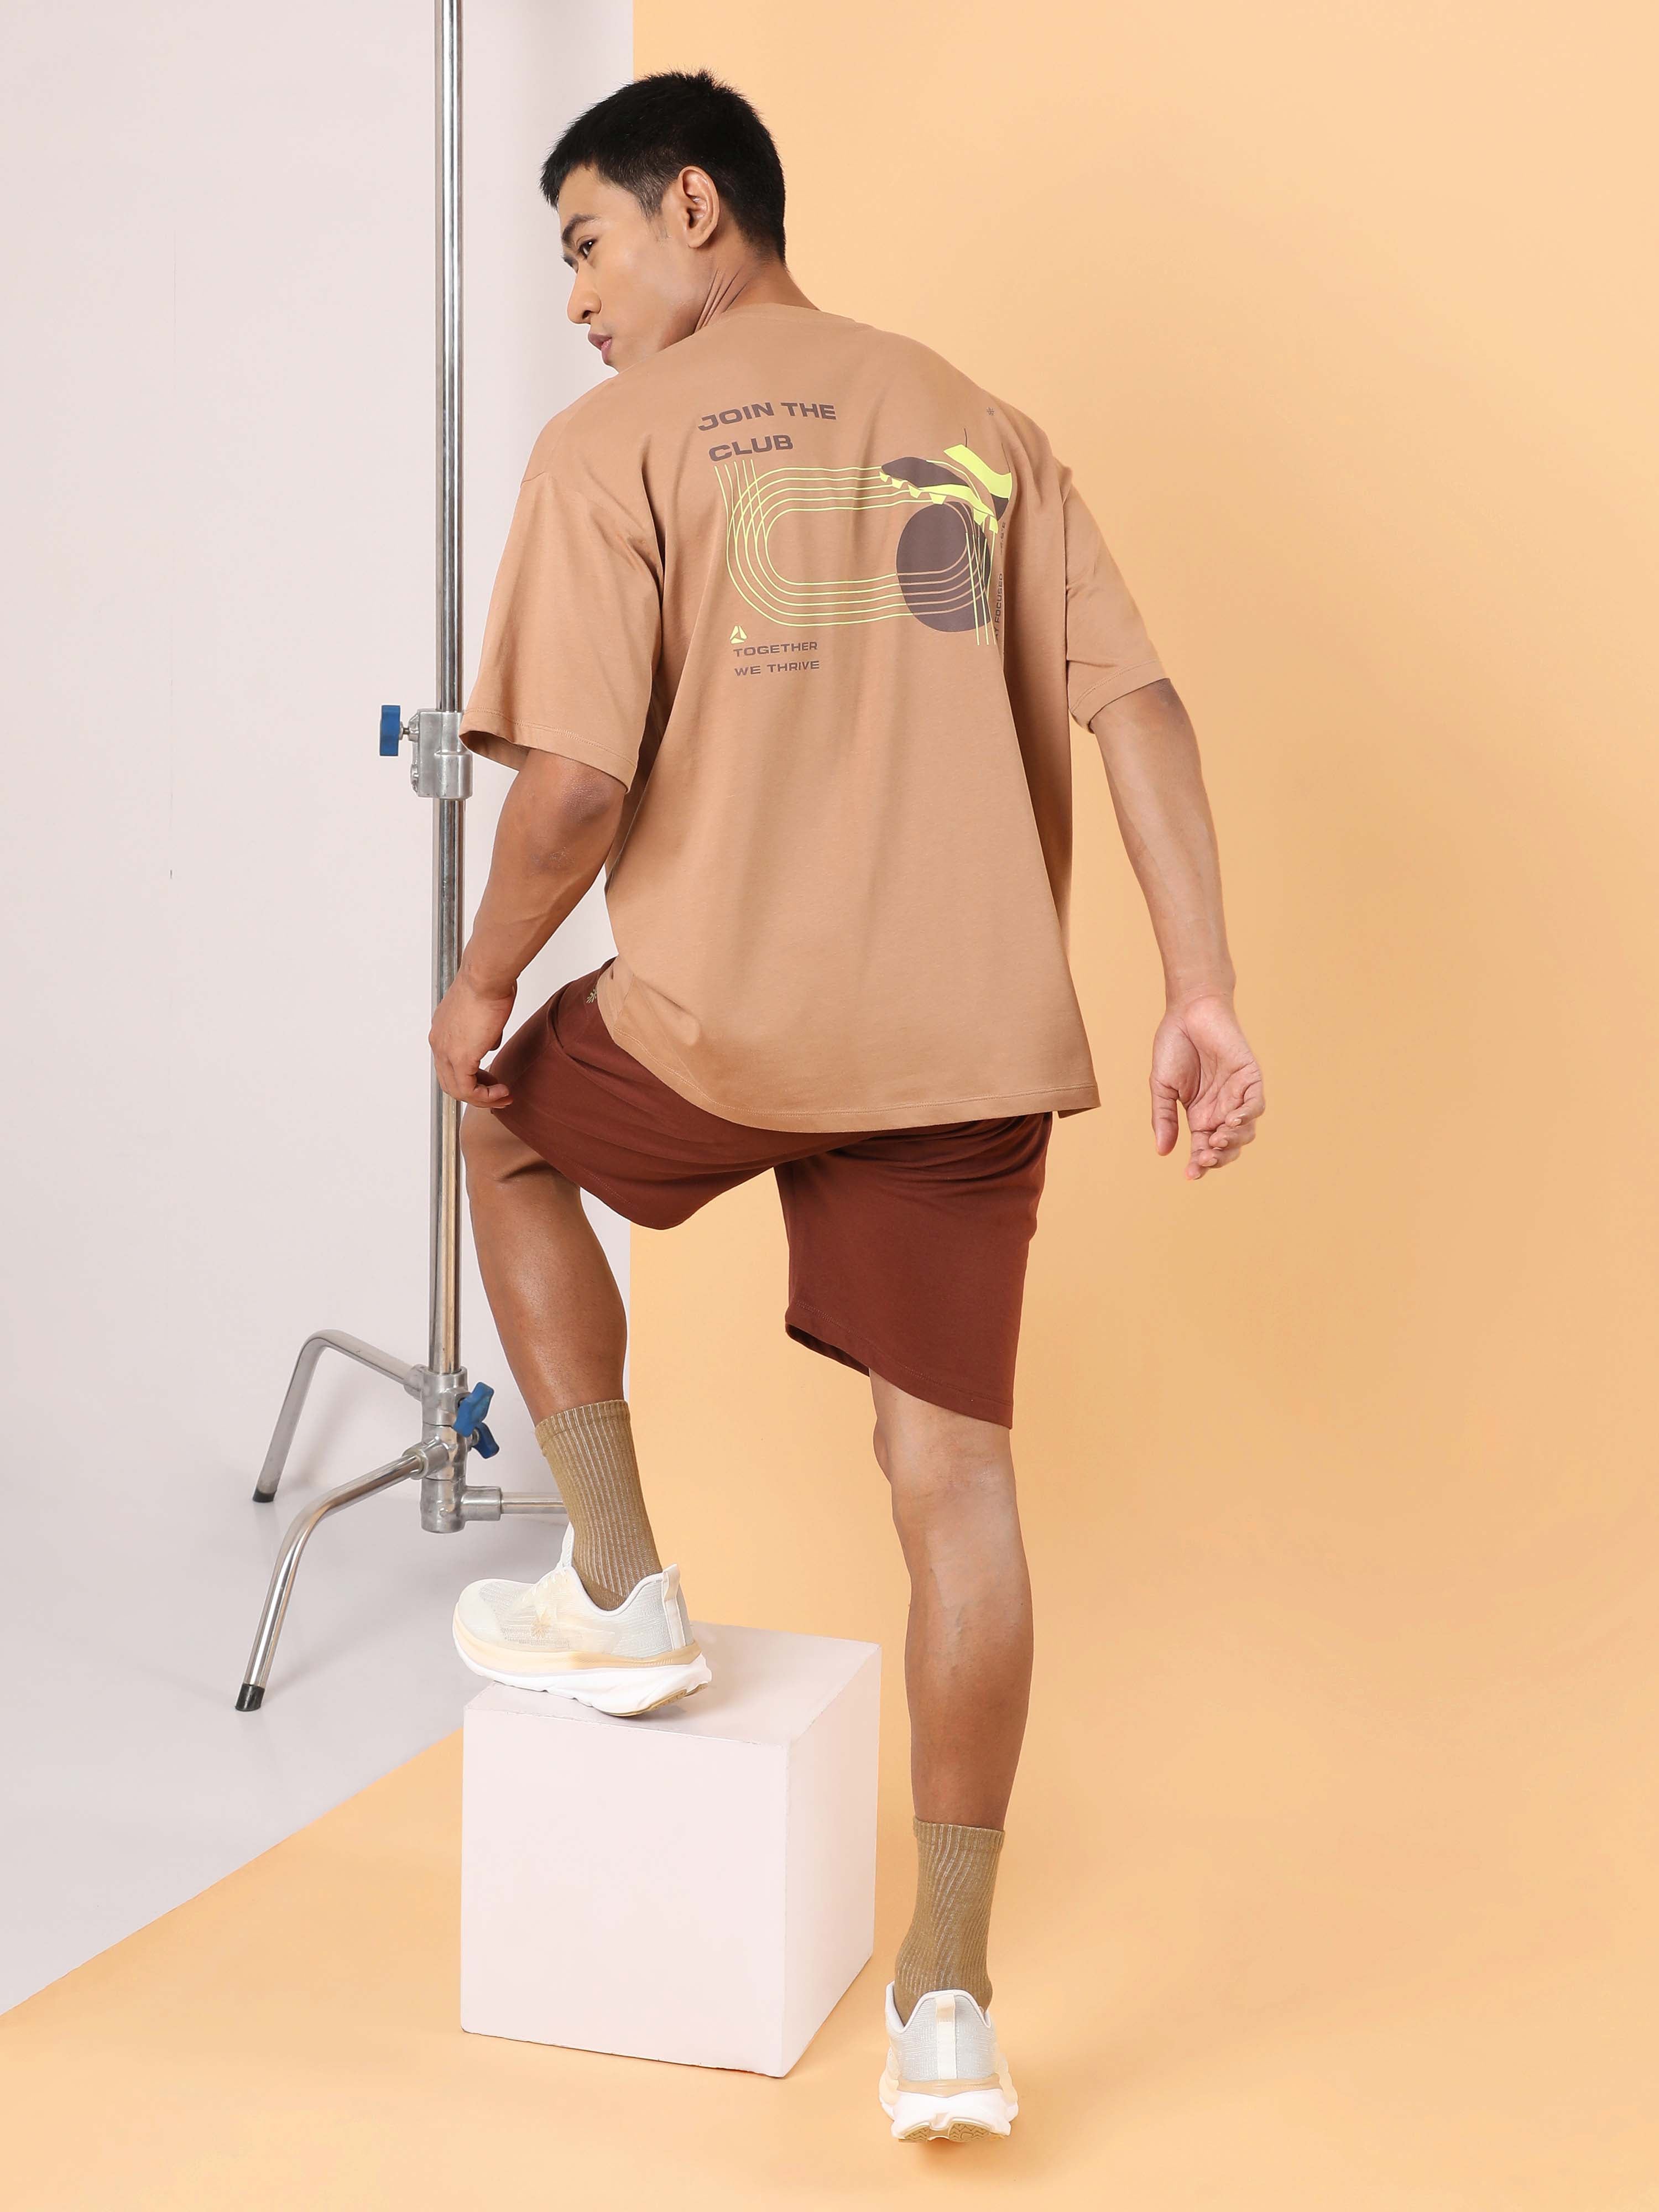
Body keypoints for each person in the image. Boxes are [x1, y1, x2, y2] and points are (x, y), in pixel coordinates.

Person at [430, 66, 1264, 2144]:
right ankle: (949, 1997)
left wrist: (481, 981)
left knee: (504, 1125)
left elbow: (577, 788)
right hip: (965, 1049)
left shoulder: (614, 443)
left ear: (695, 208)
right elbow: (1142, 705)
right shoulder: (983, 421)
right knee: (953, 1486)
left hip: (716, 1028)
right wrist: (1202, 990)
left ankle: (619, 1581)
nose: (576, 299)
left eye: (586, 245)